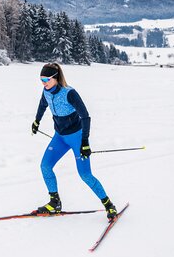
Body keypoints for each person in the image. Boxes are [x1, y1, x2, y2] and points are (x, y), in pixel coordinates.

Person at [31, 62, 118, 220]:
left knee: (85, 174)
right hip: (60, 137)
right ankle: (55, 202)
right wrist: (36, 121)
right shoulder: (46, 92)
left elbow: (85, 116)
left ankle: (109, 205)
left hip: (77, 137)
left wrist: (85, 142)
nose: (43, 83)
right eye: (41, 79)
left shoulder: (69, 93)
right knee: (45, 166)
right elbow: (42, 105)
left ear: (55, 78)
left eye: (46, 79)